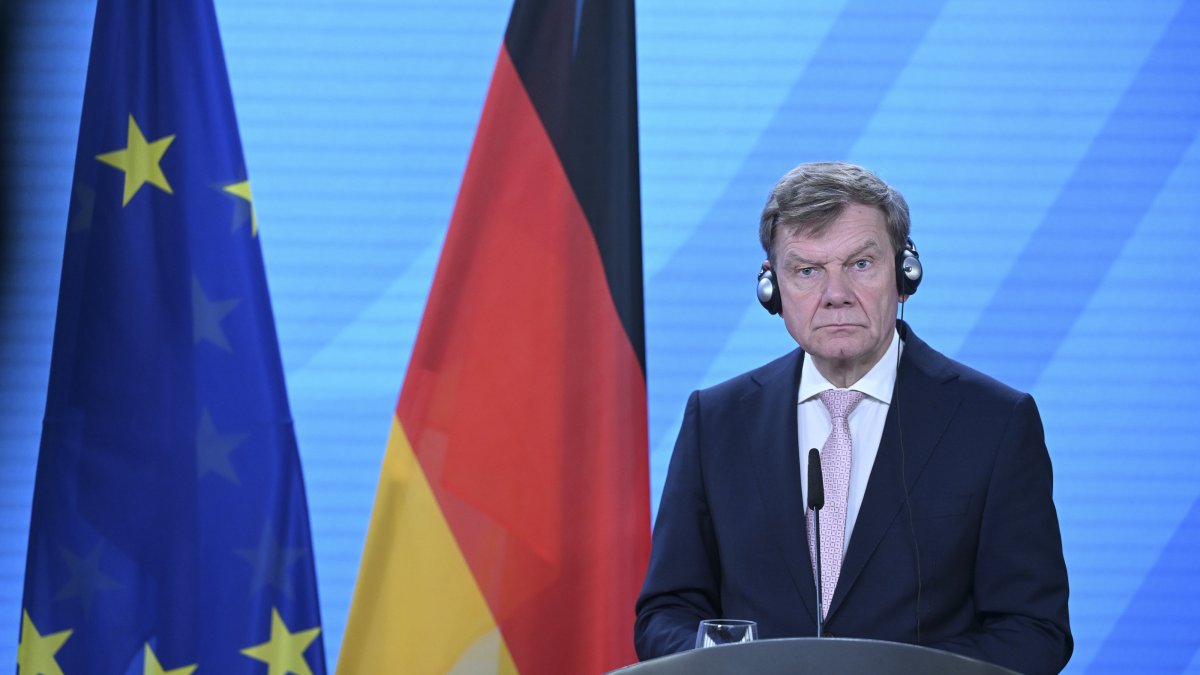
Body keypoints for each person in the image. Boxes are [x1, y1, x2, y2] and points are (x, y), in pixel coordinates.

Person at [634, 162, 1072, 674]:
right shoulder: (716, 421)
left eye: (860, 264)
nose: (836, 294)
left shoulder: (994, 422)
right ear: (772, 291)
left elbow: (1034, 629)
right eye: (806, 271)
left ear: (905, 275)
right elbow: (666, 612)